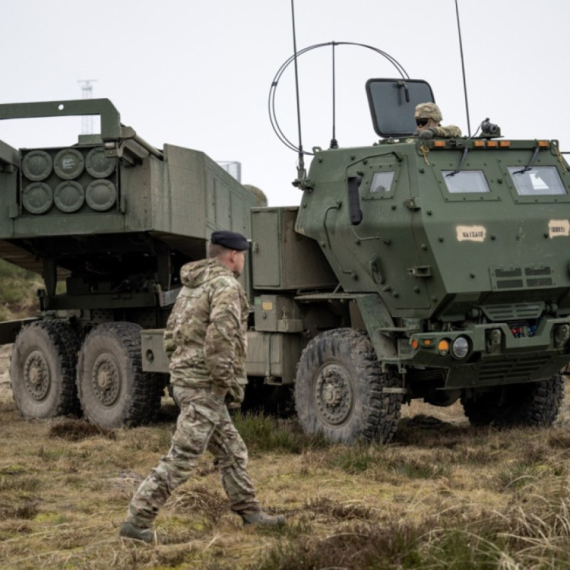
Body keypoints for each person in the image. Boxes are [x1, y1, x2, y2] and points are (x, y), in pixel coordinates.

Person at [119, 230, 285, 543]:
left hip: (187, 380)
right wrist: (225, 384)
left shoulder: (191, 287)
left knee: (232, 450)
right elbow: (221, 339)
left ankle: (251, 513)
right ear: (233, 256)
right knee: (182, 458)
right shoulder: (225, 285)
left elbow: (171, 335)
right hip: (204, 386)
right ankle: (137, 521)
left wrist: (183, 370)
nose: (243, 261)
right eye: (243, 256)